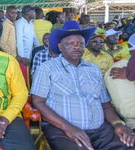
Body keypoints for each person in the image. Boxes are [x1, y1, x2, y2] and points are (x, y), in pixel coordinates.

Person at [31, 20, 135, 150]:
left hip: (100, 130)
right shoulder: (47, 68)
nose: (77, 47)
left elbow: (105, 104)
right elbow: (38, 102)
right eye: (71, 44)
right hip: (63, 130)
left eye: (80, 43)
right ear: (60, 46)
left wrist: (118, 124)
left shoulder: (93, 69)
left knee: (129, 145)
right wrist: (68, 128)